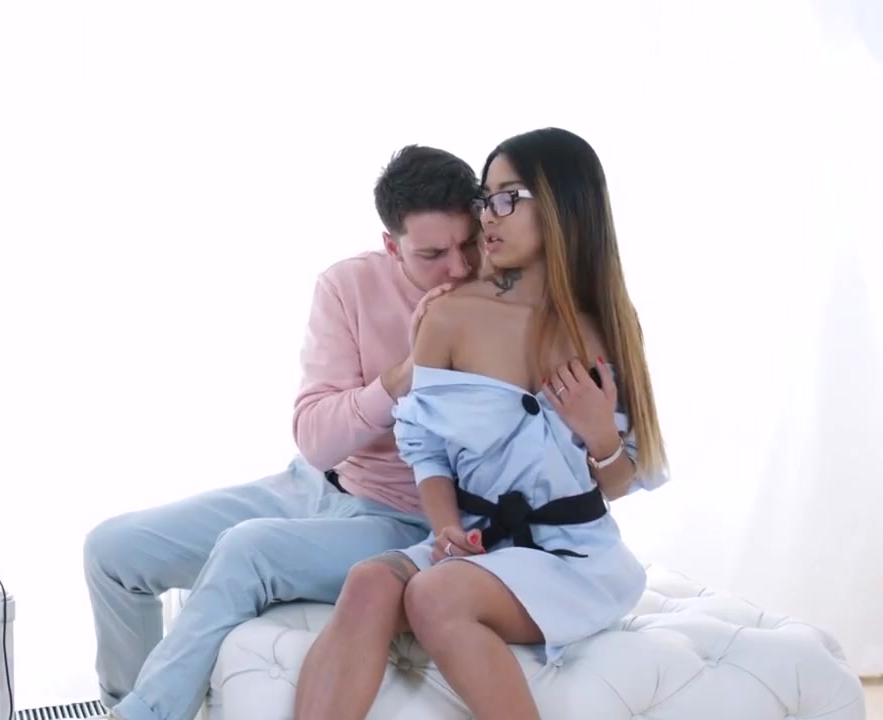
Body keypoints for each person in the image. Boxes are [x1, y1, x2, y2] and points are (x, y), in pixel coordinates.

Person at [81, 145, 487, 720]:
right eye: (433, 254)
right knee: (111, 551)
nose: (460, 268)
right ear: (392, 246)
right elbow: (316, 439)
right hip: (315, 485)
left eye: (469, 244)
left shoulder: (498, 297)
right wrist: (399, 379)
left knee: (247, 549)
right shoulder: (347, 285)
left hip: (404, 519)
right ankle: (128, 703)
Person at [293, 127, 671, 720]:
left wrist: (600, 434)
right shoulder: (448, 317)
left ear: (563, 205)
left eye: (507, 198)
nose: (488, 215)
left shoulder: (606, 328)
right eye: (485, 198)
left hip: (572, 559)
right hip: (479, 544)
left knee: (435, 594)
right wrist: (446, 527)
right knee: (370, 582)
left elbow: (618, 484)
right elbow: (426, 448)